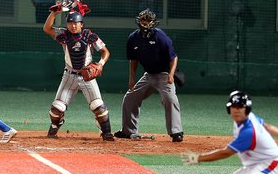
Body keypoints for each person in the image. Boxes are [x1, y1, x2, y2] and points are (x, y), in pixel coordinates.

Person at [43, 8, 114, 141]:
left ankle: (106, 132)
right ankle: (55, 125)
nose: (73, 25)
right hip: (69, 76)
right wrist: (54, 13)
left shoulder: (89, 36)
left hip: (87, 76)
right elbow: (47, 29)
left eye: (76, 23)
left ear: (81, 24)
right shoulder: (63, 35)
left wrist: (100, 64)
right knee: (56, 109)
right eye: (70, 23)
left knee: (99, 107)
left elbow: (105, 52)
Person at [114, 8, 184, 142]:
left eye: (148, 21)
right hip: (148, 75)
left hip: (164, 75)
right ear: (139, 21)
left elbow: (173, 58)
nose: (145, 24)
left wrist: (171, 75)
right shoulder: (133, 38)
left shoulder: (160, 36)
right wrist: (132, 79)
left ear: (153, 23)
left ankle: (176, 132)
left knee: (170, 99)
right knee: (130, 97)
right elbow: (133, 60)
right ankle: (128, 131)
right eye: (143, 21)